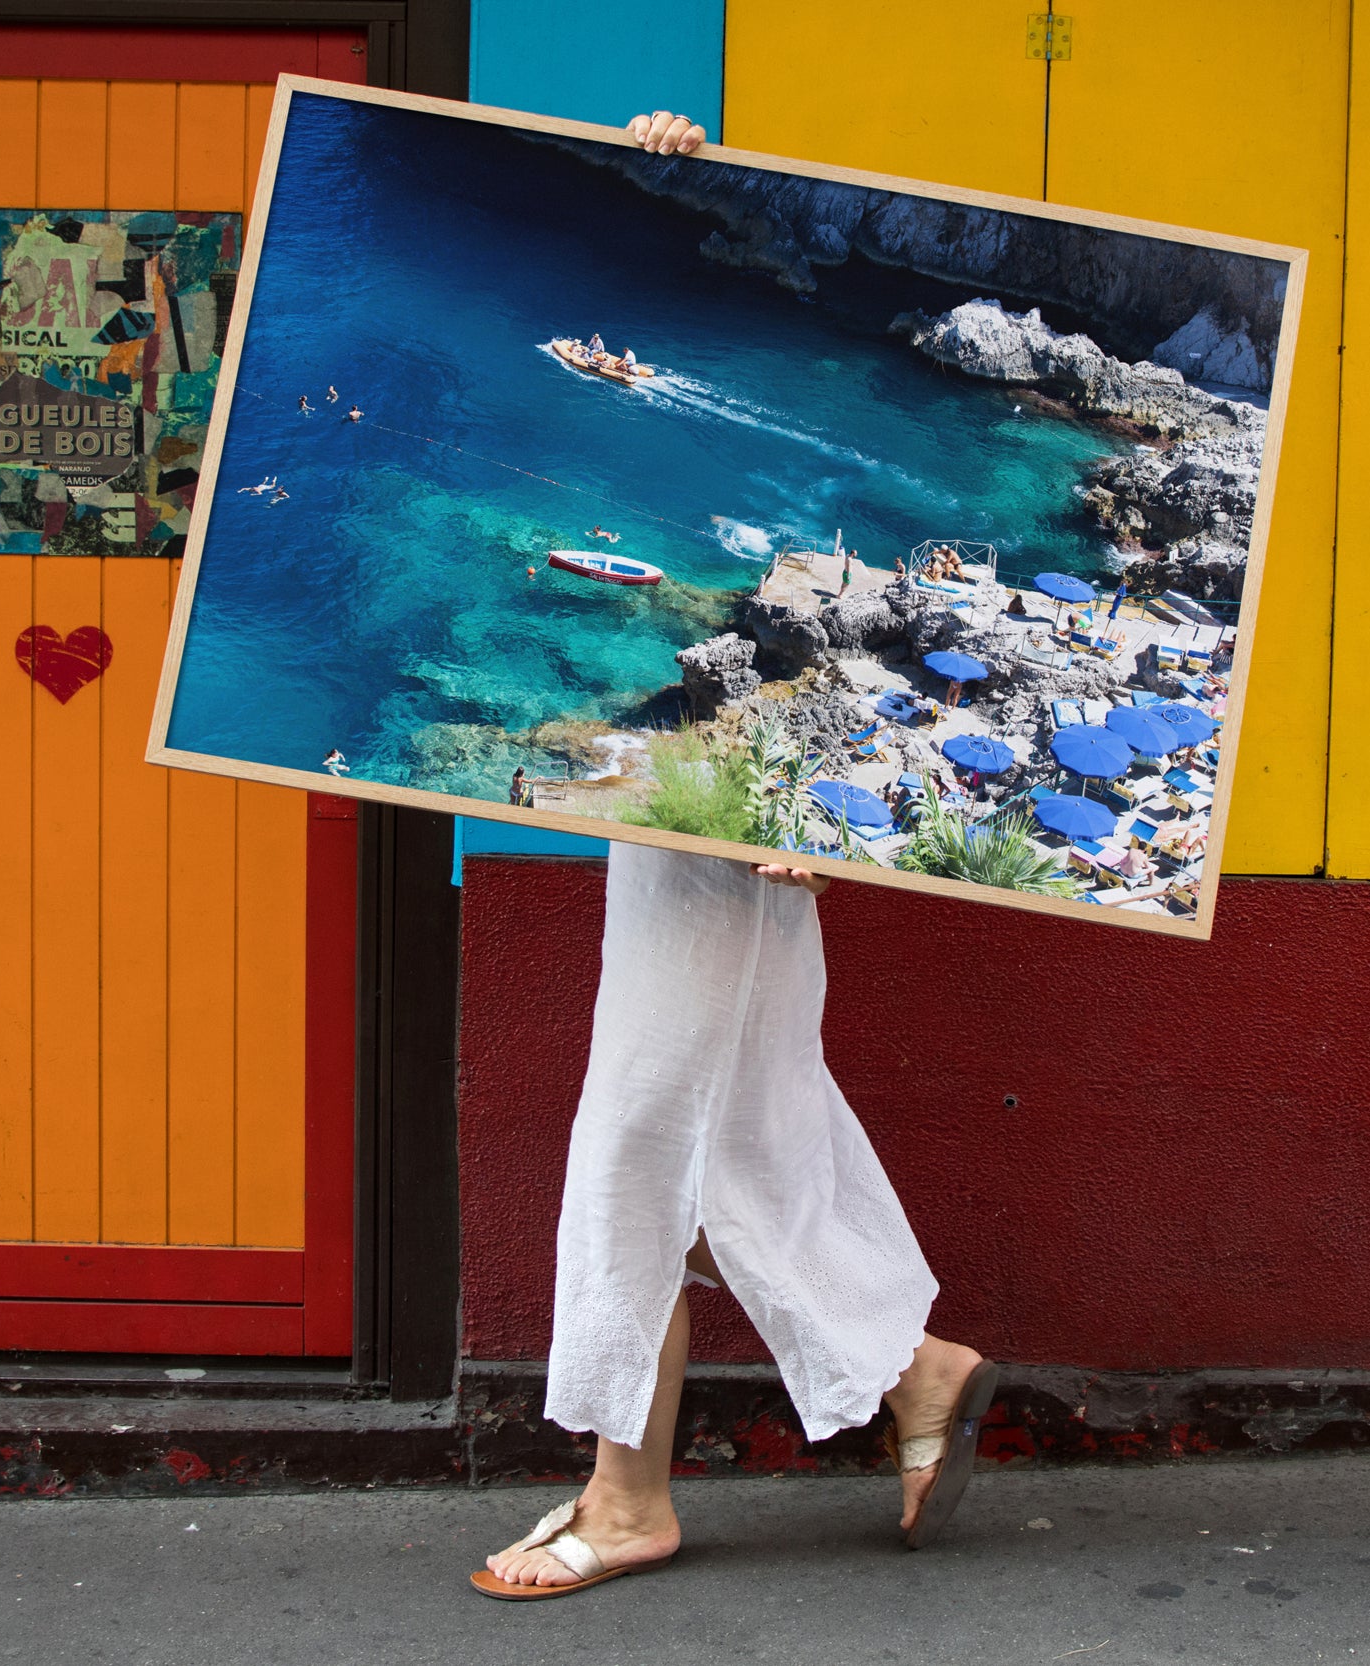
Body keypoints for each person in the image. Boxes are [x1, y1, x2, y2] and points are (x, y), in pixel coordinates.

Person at [474, 109, 993, 1604]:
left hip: (731, 858)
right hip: (681, 850)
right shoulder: (662, 349)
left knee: (645, 1136)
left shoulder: (846, 556)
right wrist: (658, 172)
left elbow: (867, 694)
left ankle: (629, 1493)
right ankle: (914, 1372)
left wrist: (807, 798)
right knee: (738, 1130)